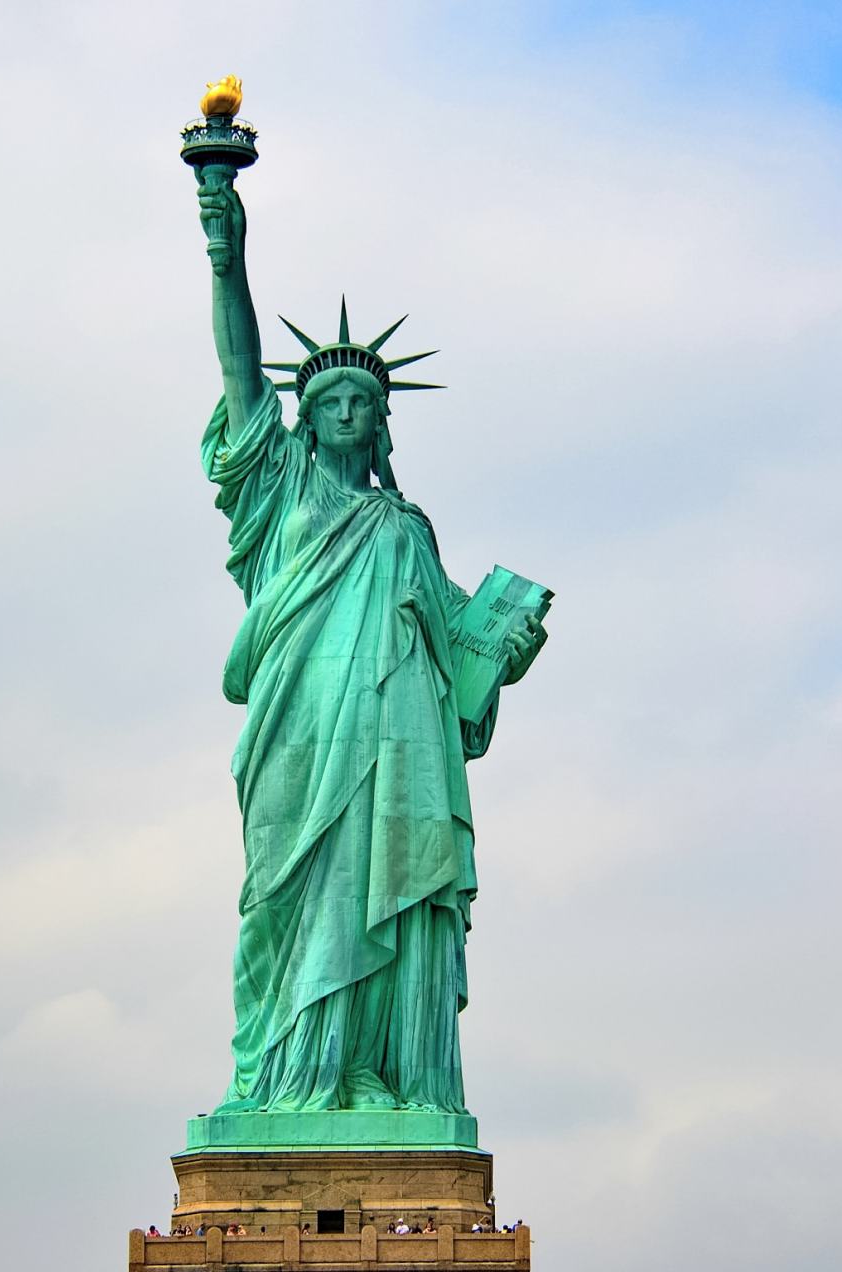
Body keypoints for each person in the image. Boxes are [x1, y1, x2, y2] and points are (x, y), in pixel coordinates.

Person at [192, 156, 547, 1117]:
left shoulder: (406, 528)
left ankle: (372, 1070)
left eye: (364, 403)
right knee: (288, 895)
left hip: (399, 743)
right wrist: (226, 249)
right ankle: (286, 1074)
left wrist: (505, 651)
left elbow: (457, 652)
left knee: (378, 886)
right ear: (305, 422)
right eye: (330, 403)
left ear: (382, 424)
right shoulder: (280, 493)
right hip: (301, 730)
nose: (347, 412)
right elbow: (239, 373)